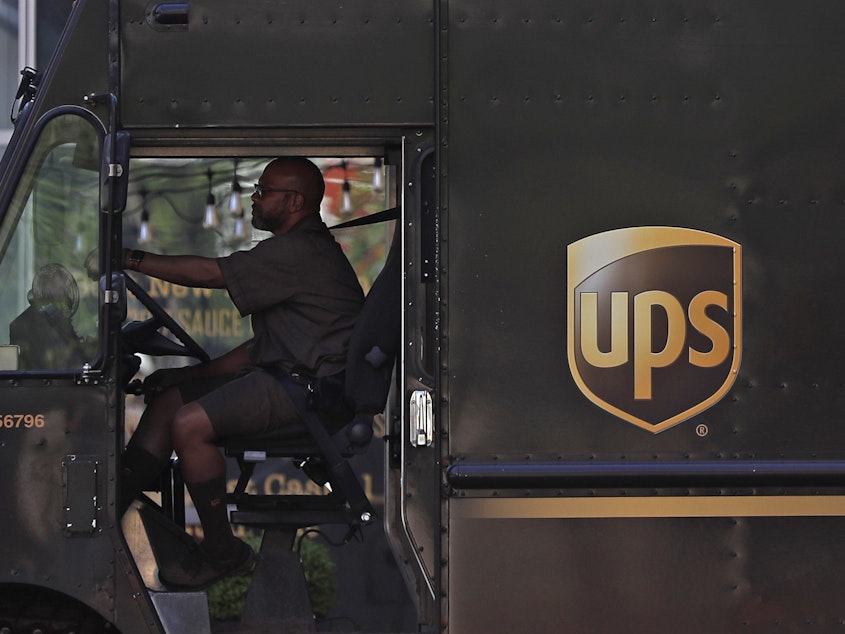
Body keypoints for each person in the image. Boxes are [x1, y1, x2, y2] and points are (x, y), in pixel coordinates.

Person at [119, 157, 364, 590]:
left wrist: (131, 259)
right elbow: (261, 349)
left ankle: (220, 551)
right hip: (291, 380)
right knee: (169, 403)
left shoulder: (297, 250)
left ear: (293, 201)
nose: (254, 198)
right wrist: (188, 378)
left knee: (189, 424)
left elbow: (212, 273)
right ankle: (110, 512)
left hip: (312, 393)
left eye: (263, 191)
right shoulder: (299, 250)